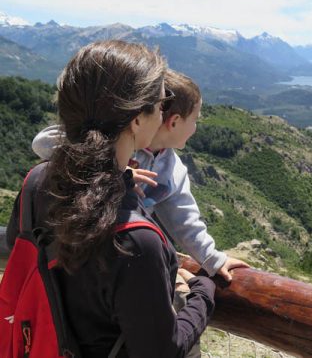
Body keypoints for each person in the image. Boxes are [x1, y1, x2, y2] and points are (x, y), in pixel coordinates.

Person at [8, 40, 215, 358]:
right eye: (161, 104)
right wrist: (205, 291)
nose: (163, 114)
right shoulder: (136, 241)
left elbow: (17, 245)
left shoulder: (37, 182)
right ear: (136, 119)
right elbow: (162, 350)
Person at [32, 69, 248, 281]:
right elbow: (42, 142)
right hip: (73, 250)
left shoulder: (173, 170)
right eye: (195, 120)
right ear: (174, 122)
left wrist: (213, 258)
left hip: (115, 261)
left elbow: (185, 220)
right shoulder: (118, 139)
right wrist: (113, 169)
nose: (196, 128)